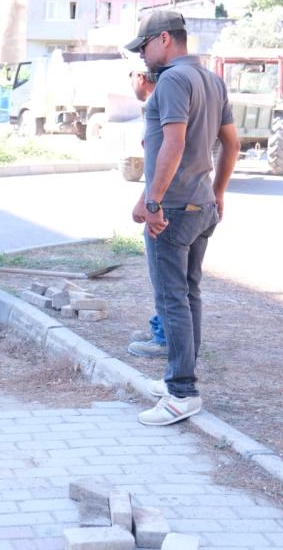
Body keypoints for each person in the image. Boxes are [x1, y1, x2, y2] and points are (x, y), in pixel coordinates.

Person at [124, 10, 239, 426]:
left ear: (166, 39)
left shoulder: (172, 79)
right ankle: (179, 377)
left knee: (173, 299)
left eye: (145, 46)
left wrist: (152, 202)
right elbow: (232, 144)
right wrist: (219, 191)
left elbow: (173, 144)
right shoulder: (211, 79)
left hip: (173, 210)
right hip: (200, 204)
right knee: (189, 296)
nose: (143, 55)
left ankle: (181, 393)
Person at [125, 67, 169, 359]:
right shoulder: (164, 102)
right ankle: (160, 329)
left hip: (166, 204)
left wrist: (150, 201)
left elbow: (166, 157)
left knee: (166, 279)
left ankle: (165, 338)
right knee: (166, 278)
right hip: (166, 199)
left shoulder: (161, 104)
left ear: (140, 78)